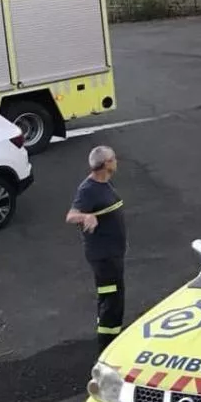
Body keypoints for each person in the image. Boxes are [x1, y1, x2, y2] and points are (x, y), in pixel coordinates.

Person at [66, 146, 127, 353]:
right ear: (107, 164)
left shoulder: (105, 183)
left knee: (113, 298)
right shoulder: (88, 189)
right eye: (114, 158)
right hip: (104, 257)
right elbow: (71, 216)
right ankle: (107, 347)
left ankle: (111, 342)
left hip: (113, 253)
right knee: (111, 301)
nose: (116, 161)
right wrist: (86, 217)